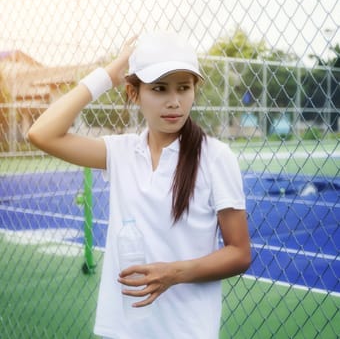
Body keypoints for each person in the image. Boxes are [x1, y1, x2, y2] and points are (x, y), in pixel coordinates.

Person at [27, 31, 251, 338]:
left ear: (194, 90)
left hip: (186, 330)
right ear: (135, 93)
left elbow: (239, 252)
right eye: (159, 88)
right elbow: (41, 134)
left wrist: (173, 273)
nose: (174, 102)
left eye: (183, 88)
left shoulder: (215, 157)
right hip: (124, 329)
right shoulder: (121, 152)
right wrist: (109, 73)